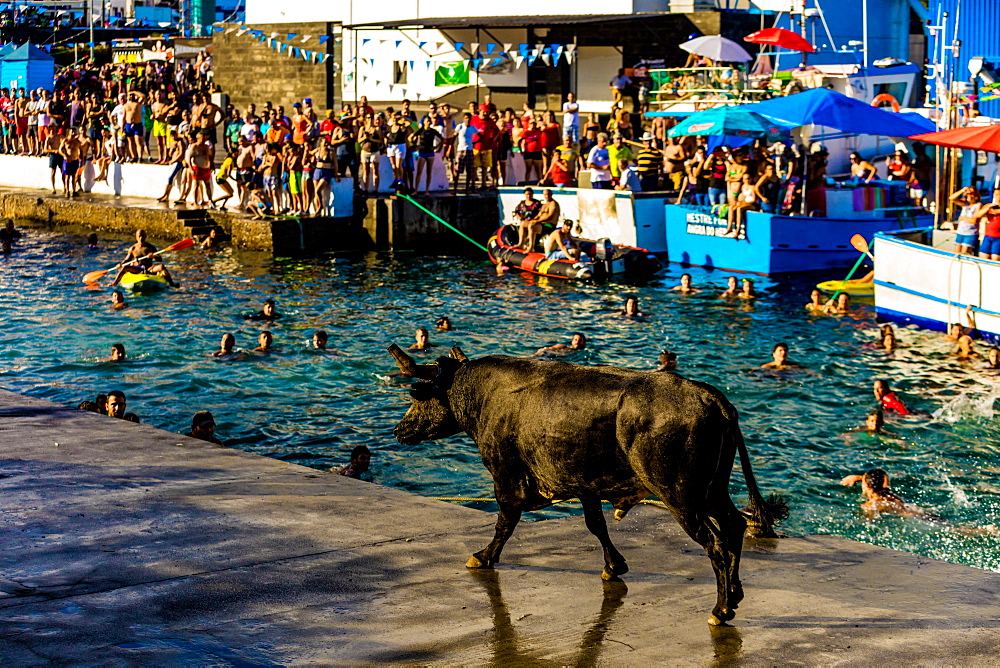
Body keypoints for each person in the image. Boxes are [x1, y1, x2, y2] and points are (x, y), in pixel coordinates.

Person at [840, 468, 925, 519]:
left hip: (914, 518)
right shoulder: (887, 491)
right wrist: (858, 478)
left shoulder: (870, 505)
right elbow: (884, 476)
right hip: (921, 514)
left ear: (865, 484)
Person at [111, 229, 178, 288]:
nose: (141, 238)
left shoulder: (150, 247)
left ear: (145, 236)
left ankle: (172, 284)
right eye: (139, 236)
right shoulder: (133, 248)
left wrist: (154, 256)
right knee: (124, 268)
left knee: (161, 267)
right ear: (136, 237)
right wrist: (121, 264)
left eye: (143, 236)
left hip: (149, 268)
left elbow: (159, 259)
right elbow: (127, 260)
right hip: (137, 269)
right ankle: (114, 283)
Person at [949, 186, 983, 255]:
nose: (969, 196)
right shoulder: (965, 204)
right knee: (957, 253)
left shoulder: (978, 205)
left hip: (970, 233)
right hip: (961, 232)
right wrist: (962, 190)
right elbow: (951, 198)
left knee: (965, 253)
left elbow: (974, 220)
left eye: (971, 194)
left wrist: (963, 218)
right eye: (968, 194)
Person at [979, 190, 1000, 261]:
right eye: (996, 194)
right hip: (988, 235)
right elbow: (977, 215)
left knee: (995, 258)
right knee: (985, 257)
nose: (998, 196)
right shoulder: (989, 206)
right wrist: (988, 208)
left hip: (998, 237)